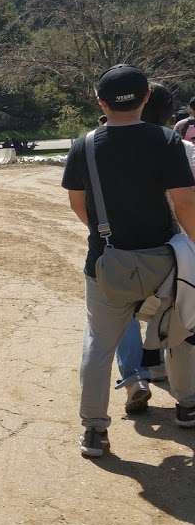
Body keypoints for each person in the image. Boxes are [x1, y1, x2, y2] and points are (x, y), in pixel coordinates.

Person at [61, 65, 195, 457]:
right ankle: (187, 405)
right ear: (146, 98)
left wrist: (105, 232)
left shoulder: (84, 145)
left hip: (107, 261)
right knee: (181, 333)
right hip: (165, 260)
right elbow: (185, 202)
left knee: (100, 343)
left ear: (100, 102)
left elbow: (76, 202)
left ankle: (94, 431)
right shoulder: (167, 140)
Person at [114, 84, 179, 413]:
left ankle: (135, 376)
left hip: (121, 246)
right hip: (174, 246)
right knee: (176, 306)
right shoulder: (179, 144)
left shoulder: (100, 143)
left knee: (120, 309)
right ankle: (172, 375)